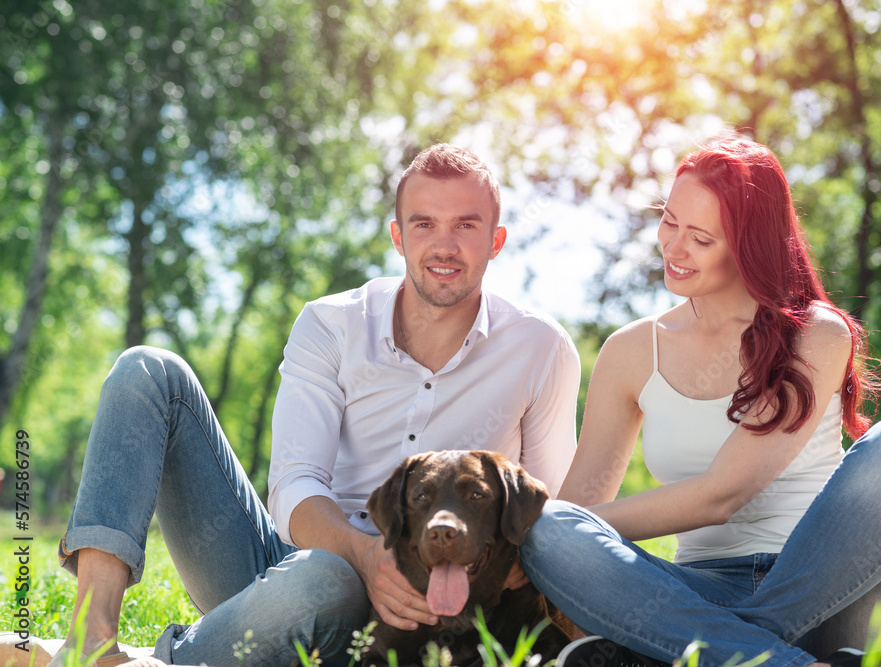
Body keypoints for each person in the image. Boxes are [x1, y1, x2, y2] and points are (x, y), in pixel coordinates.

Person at [53, 144, 581, 667]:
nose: (444, 246)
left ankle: (150, 662)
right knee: (149, 371)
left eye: (466, 226)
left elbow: (554, 509)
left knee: (327, 579)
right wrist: (364, 554)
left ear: (496, 240)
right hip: (286, 575)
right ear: (398, 236)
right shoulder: (331, 324)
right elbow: (295, 482)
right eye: (424, 225)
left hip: (436, 596)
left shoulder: (541, 348)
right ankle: (89, 639)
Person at [519, 134, 881, 667]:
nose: (673, 249)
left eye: (700, 237)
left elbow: (722, 494)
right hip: (698, 593)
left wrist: (591, 535)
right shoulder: (630, 352)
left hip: (839, 599)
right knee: (551, 530)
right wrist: (560, 531)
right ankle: (763, 657)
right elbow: (580, 508)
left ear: (749, 245)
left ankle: (700, 651)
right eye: (669, 222)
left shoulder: (817, 335)